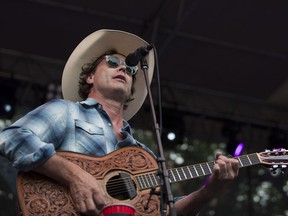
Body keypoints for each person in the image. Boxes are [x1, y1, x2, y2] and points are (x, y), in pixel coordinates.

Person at [0, 29, 239, 216]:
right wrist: (74, 176)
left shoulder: (142, 154)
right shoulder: (66, 111)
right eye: (112, 62)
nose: (123, 68)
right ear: (90, 77)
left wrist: (209, 191)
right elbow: (12, 137)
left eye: (130, 68)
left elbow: (164, 211)